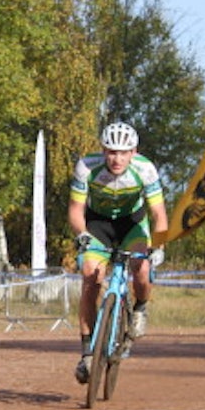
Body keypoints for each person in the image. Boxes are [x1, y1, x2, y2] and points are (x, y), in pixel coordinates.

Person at [68, 121, 168, 384]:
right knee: (91, 278)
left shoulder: (145, 169)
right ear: (103, 150)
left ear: (133, 152)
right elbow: (76, 211)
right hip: (97, 225)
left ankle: (140, 308)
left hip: (132, 225)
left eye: (123, 152)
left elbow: (159, 214)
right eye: (112, 152)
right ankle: (88, 352)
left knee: (142, 268)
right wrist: (82, 236)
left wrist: (158, 245)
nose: (117, 158)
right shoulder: (87, 167)